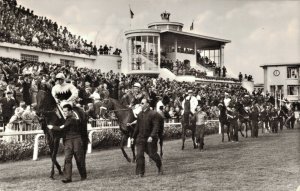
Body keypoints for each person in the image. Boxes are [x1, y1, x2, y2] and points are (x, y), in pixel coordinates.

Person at [49, 104, 87, 183]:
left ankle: (83, 175)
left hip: (76, 140)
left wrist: (52, 127)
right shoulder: (67, 119)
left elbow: (61, 128)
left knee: (79, 159)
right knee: (67, 159)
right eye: (64, 111)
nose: (65, 112)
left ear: (70, 111)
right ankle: (68, 178)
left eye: (66, 111)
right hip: (68, 141)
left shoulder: (72, 119)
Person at [131, 98, 163, 177]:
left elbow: (156, 126)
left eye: (142, 103)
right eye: (140, 103)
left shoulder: (153, 114)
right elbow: (137, 127)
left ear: (147, 104)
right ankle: (140, 173)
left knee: (152, 155)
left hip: (150, 139)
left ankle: (160, 166)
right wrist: (133, 137)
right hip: (140, 138)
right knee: (139, 155)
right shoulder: (139, 115)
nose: (140, 105)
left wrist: (152, 136)